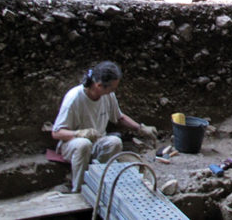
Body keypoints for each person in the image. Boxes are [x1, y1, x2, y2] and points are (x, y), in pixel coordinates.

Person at [52, 61, 158, 193]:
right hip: (72, 145)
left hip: (96, 142)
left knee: (114, 142)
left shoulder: (108, 96)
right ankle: (78, 189)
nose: (114, 91)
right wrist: (78, 133)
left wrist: (141, 128)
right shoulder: (74, 98)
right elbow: (56, 133)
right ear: (99, 85)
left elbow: (119, 117)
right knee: (83, 144)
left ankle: (97, 181)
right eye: (112, 88)